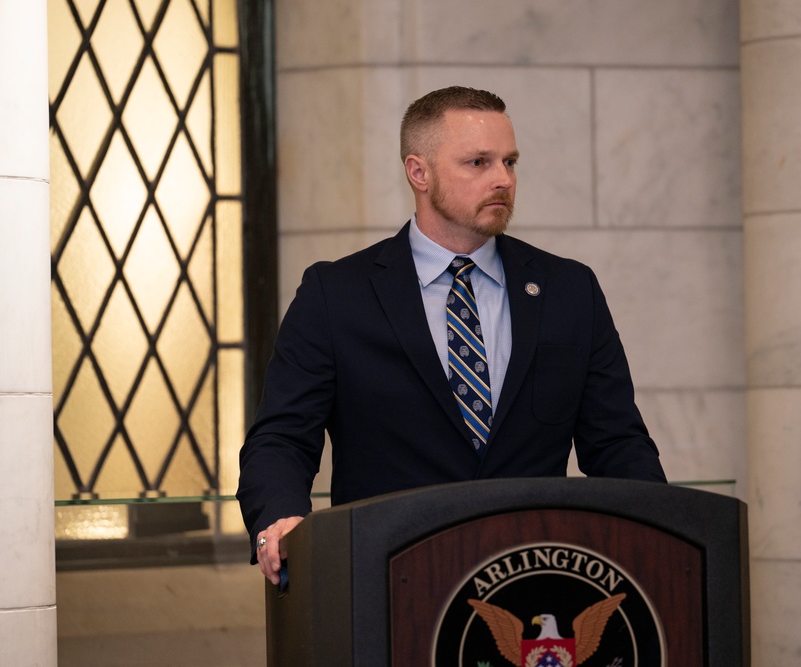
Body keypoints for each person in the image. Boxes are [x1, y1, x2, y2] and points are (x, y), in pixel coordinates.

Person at [237, 86, 666, 585]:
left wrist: (657, 530)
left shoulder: (569, 289)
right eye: (478, 163)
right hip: (386, 580)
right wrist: (279, 519)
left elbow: (617, 441)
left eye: (510, 161)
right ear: (418, 172)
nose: (503, 179)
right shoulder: (336, 294)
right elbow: (282, 437)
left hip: (536, 580)